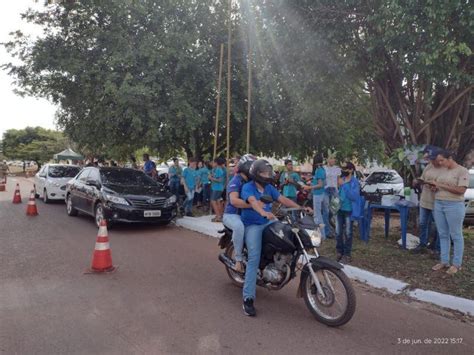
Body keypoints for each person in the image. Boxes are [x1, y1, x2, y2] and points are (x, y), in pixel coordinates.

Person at [240, 159, 307, 317]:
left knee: (288, 238)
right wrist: (262, 212)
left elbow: (283, 199)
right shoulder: (247, 187)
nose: (267, 175)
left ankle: (279, 266)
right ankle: (248, 299)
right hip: (253, 225)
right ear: (256, 174)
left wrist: (300, 207)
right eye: (264, 172)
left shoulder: (269, 187)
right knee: (254, 258)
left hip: (269, 221)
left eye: (268, 172)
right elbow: (253, 202)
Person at [431, 150, 469, 275]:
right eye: (439, 161)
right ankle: (444, 261)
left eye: (442, 160)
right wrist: (434, 187)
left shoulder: (462, 171)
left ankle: (456, 264)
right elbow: (438, 185)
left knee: (456, 235)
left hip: (454, 205)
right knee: (442, 234)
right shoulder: (442, 171)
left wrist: (440, 185)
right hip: (439, 203)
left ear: (450, 158)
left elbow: (461, 190)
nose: (440, 163)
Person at [223, 154, 257, 273]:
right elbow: (234, 201)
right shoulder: (235, 181)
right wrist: (253, 205)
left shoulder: (252, 182)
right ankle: (238, 259)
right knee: (239, 227)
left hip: (246, 214)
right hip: (231, 215)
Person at [413, 145, 444, 253]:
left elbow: (446, 185)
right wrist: (418, 181)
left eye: (432, 158)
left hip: (437, 201)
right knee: (423, 223)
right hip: (425, 200)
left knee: (439, 226)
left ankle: (438, 248)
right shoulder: (429, 166)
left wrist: (436, 186)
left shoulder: (444, 168)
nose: (430, 160)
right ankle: (422, 244)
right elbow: (423, 177)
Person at [335, 162, 360, 263]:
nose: (343, 170)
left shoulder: (355, 182)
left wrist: (344, 185)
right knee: (338, 232)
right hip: (339, 209)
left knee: (348, 233)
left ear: (351, 170)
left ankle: (347, 254)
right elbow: (339, 194)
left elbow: (354, 197)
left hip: (349, 210)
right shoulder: (342, 180)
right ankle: (339, 252)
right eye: (343, 168)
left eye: (345, 169)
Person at [304, 154, 327, 239]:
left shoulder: (319, 170)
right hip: (321, 194)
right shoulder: (322, 169)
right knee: (319, 215)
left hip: (318, 194)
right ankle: (322, 235)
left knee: (317, 216)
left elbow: (320, 185)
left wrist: (309, 187)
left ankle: (321, 236)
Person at [324, 156, 341, 238]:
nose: (332, 160)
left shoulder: (337, 168)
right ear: (327, 159)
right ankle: (327, 232)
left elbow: (338, 181)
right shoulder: (323, 168)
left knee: (335, 210)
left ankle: (337, 230)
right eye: (330, 158)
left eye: (334, 158)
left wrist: (339, 190)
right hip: (326, 190)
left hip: (334, 190)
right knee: (326, 211)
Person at [210, 157, 226, 222]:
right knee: (217, 201)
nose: (213, 163)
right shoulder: (217, 169)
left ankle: (218, 216)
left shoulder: (218, 169)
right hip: (218, 188)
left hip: (217, 188)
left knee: (213, 201)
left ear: (216, 163)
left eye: (214, 162)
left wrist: (211, 178)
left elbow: (220, 180)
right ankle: (220, 215)